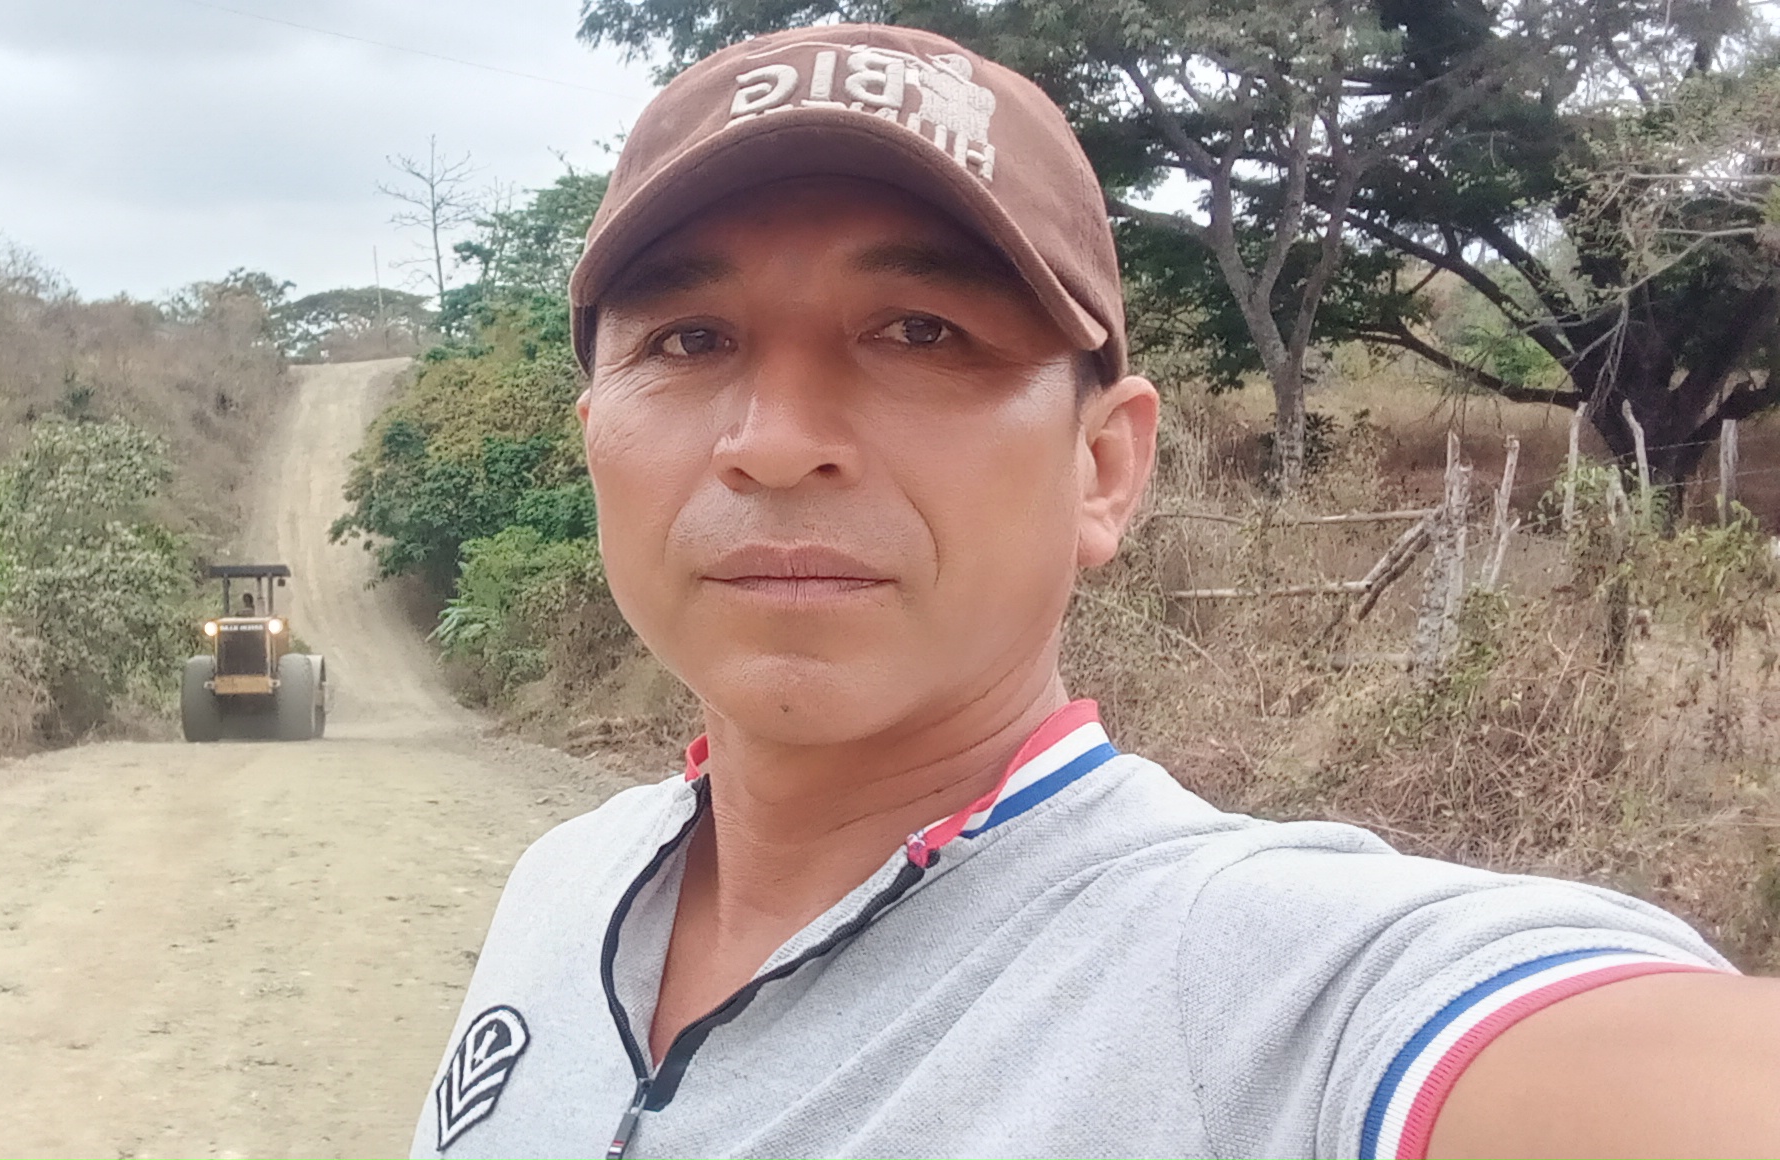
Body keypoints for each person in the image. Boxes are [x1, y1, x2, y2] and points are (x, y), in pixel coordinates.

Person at [413, 22, 1780, 1160]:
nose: (774, 439)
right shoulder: (565, 885)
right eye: (688, 339)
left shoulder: (1259, 995)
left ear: (1104, 467)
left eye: (921, 331)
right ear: (593, 438)